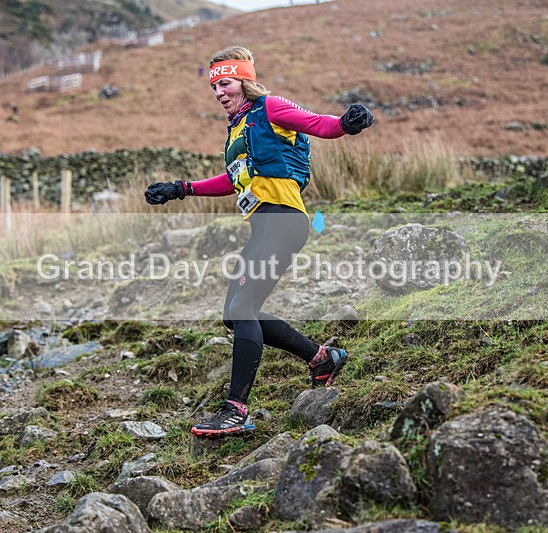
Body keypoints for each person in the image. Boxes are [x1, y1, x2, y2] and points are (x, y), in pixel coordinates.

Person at [144, 46, 375, 437]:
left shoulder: (270, 107)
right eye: (214, 86)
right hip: (264, 226)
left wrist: (346, 123)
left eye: (226, 83)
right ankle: (321, 358)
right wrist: (182, 188)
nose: (219, 92)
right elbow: (233, 179)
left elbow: (318, 124)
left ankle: (235, 410)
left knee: (243, 307)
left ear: (244, 81)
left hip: (283, 220)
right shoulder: (237, 128)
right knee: (234, 314)